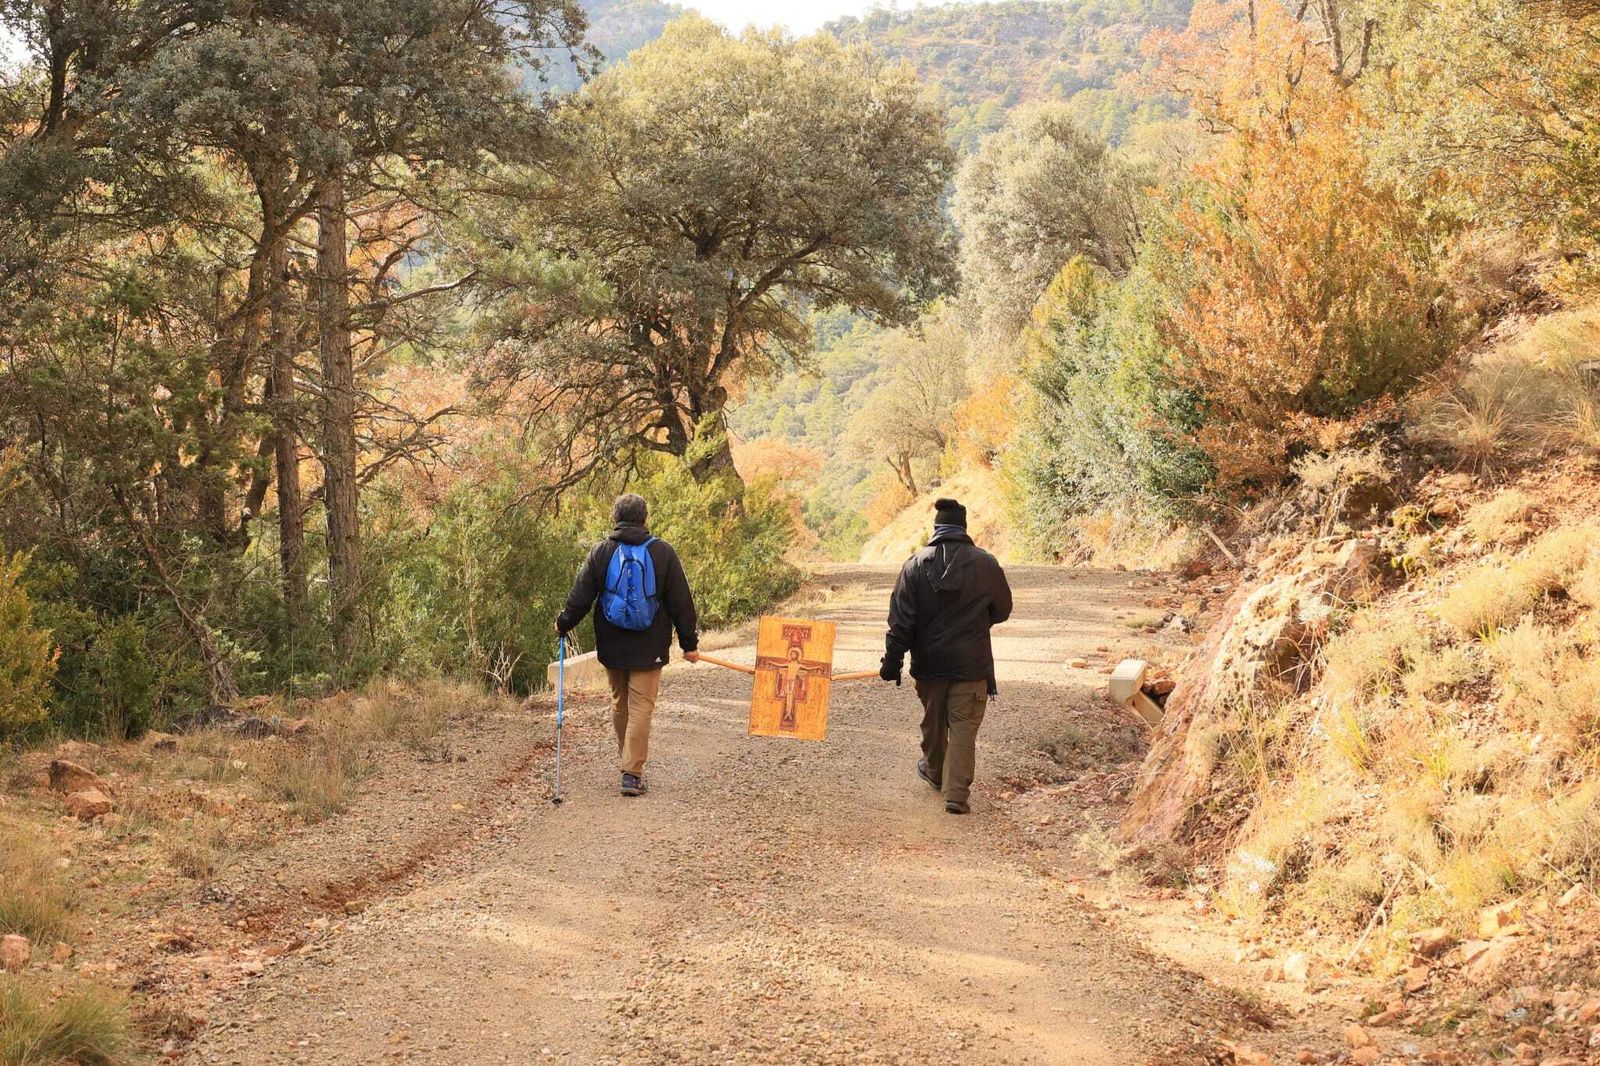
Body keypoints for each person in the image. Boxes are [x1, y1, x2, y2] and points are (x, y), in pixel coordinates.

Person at [556, 494, 700, 797]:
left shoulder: (601, 552)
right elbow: (681, 602)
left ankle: (629, 764)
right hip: (650, 645)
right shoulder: (663, 552)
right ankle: (632, 773)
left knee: (620, 703)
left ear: (615, 519)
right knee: (641, 707)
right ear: (645, 518)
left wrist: (563, 623)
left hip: (612, 643)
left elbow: (581, 595)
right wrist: (689, 643)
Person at [879, 497, 1013, 815]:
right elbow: (1003, 610)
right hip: (972, 664)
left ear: (936, 528)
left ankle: (936, 773)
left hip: (928, 666)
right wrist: (978, 621)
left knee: (934, 724)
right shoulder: (986, 564)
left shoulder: (913, 565)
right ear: (964, 528)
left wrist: (893, 661)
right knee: (964, 726)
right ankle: (956, 795)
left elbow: (901, 621)